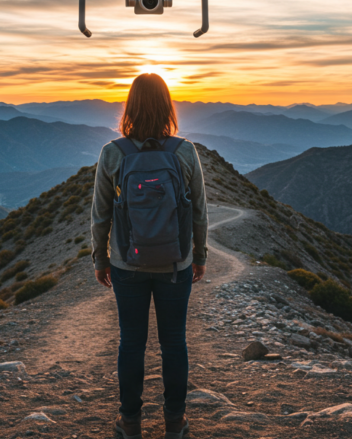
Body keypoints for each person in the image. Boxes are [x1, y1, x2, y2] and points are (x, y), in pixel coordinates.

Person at [91, 73, 208, 439]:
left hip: (127, 264)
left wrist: (100, 259)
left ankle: (130, 423)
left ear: (130, 106)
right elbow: (201, 211)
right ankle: (175, 423)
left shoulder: (113, 153)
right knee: (174, 341)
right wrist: (199, 256)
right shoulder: (184, 151)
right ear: (167, 106)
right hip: (176, 264)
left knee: (131, 342)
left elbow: (100, 214)